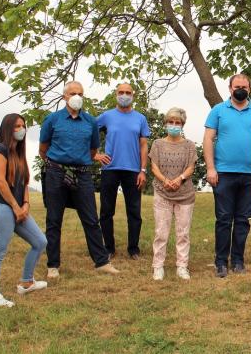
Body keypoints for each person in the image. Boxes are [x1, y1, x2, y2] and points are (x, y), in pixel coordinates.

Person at [39, 81, 119, 278]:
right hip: (56, 172)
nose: (77, 97)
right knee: (54, 219)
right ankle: (53, 265)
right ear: (65, 96)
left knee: (91, 218)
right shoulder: (52, 119)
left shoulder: (90, 122)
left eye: (80, 93)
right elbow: (43, 148)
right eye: (73, 93)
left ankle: (101, 262)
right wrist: (57, 165)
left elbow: (93, 150)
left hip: (83, 173)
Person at [204, 74, 251, 278]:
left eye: (244, 86)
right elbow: (208, 139)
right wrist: (210, 168)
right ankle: (220, 262)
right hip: (223, 173)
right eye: (237, 86)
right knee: (224, 219)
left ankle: (238, 260)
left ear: (249, 89)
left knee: (243, 220)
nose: (240, 89)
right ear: (230, 88)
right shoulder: (218, 110)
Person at [0, 114, 48, 307]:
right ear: (7, 129)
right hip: (1, 207)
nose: (21, 129)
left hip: (19, 209)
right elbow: (0, 182)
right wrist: (15, 206)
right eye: (17, 126)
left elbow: (25, 183)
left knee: (40, 241)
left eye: (23, 126)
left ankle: (27, 282)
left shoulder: (19, 154)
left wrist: (26, 205)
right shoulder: (0, 150)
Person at [95, 83, 150, 260]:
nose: (124, 95)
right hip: (110, 168)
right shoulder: (106, 116)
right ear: (115, 95)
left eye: (127, 92)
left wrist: (143, 170)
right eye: (121, 92)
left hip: (133, 170)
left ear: (133, 95)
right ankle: (109, 248)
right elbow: (87, 132)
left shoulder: (140, 118)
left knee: (134, 211)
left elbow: (143, 145)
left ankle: (133, 248)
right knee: (106, 211)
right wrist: (95, 155)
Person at [149, 108, 197, 280]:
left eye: (178, 122)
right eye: (171, 122)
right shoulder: (157, 144)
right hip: (162, 193)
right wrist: (164, 180)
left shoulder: (190, 145)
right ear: (166, 123)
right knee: (161, 232)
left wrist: (180, 178)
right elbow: (154, 165)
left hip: (185, 194)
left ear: (182, 125)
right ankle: (158, 266)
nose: (174, 125)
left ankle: (182, 266)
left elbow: (191, 166)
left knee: (183, 233)